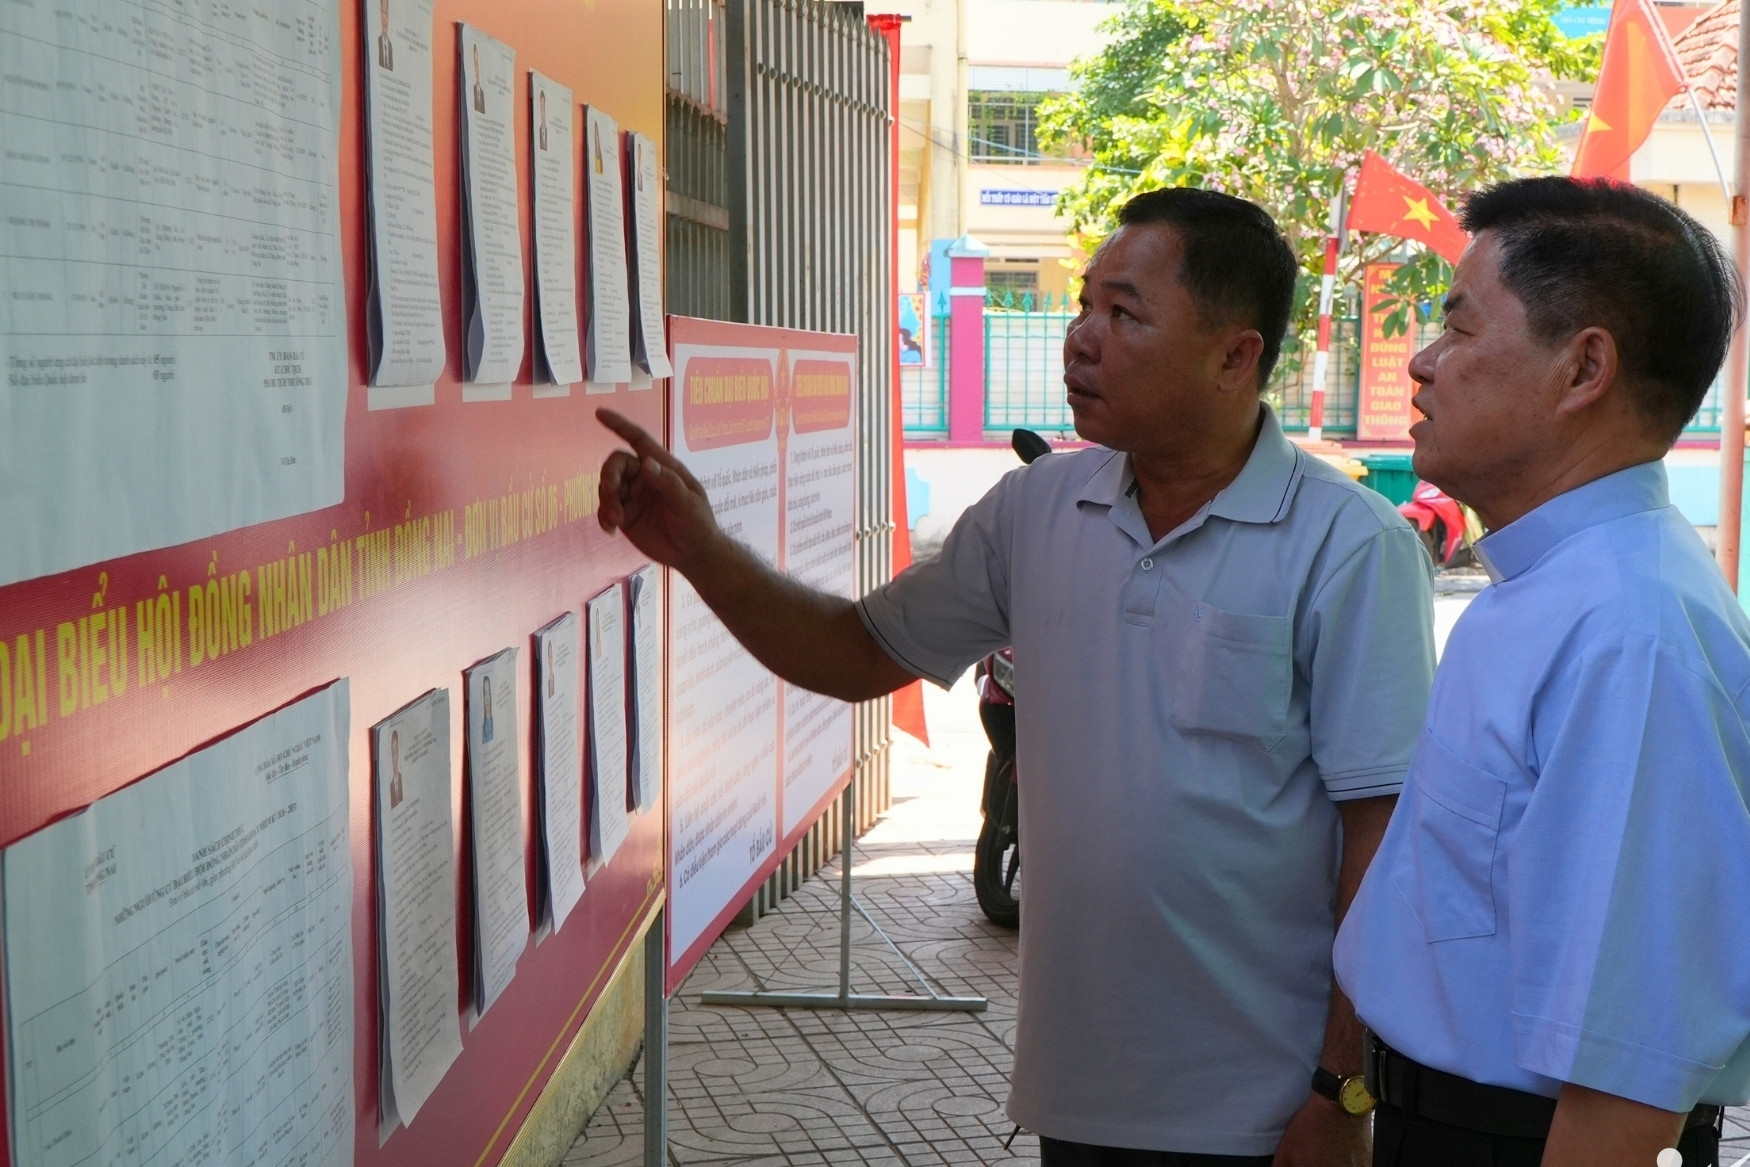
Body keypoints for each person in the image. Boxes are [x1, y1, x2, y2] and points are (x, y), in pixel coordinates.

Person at [596, 187, 1436, 1165]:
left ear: (1234, 354)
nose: (1079, 339)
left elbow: (1378, 839)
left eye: (1122, 313)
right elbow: (854, 651)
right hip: (1078, 1094)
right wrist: (699, 549)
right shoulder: (1036, 509)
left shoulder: (1348, 544)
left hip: (1261, 1105)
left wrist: (1341, 1090)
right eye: (1081, 305)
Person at [1333, 177, 1750, 1167]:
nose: (1422, 364)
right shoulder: (1552, 583)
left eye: (1457, 328)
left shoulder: (1627, 631)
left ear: (1581, 369)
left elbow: (1625, 1081)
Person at [388, 728, 404, 809]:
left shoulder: (403, 779)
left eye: (396, 750)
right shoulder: (389, 786)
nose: (395, 755)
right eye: (393, 750)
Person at [376, 0, 393, 71]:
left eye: (386, 13)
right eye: (382, 12)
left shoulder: (390, 45)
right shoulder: (376, 42)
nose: (384, 20)